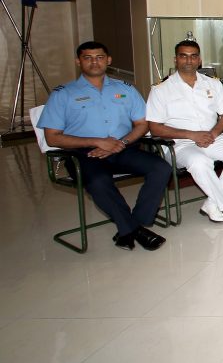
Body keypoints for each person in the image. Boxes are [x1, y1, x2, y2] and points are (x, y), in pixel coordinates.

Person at [38, 41, 170, 250]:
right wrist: (96, 141)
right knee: (99, 181)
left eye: (99, 57)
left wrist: (122, 142)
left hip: (123, 147)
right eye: (87, 58)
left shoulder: (125, 89)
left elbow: (142, 124)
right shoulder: (63, 94)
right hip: (84, 154)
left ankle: (131, 226)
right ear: (78, 61)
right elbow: (53, 138)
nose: (94, 62)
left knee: (161, 168)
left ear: (108, 61)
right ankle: (136, 231)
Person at [146, 39, 223, 223]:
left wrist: (213, 133)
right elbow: (155, 128)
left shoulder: (212, 84)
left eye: (193, 56)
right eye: (183, 56)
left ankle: (212, 204)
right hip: (178, 143)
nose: (189, 60)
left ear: (199, 60)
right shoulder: (160, 90)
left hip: (212, 136)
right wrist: (192, 135)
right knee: (199, 161)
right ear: (175, 60)